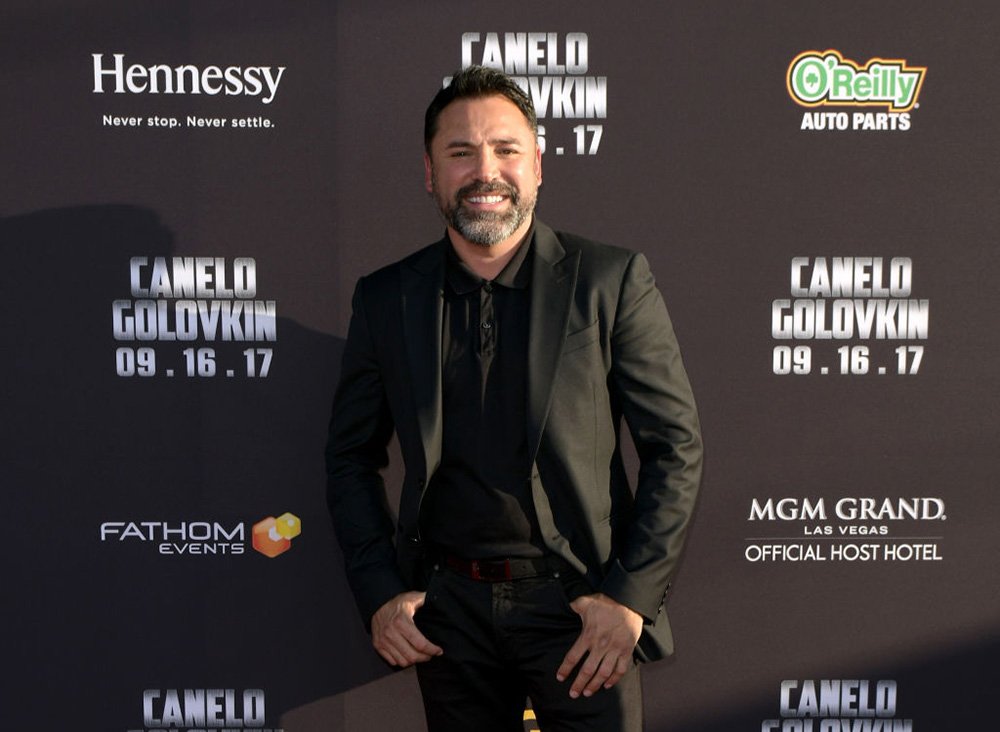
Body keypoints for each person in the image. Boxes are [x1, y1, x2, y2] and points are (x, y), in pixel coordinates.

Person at [326, 65, 702, 732]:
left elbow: (674, 448)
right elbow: (351, 456)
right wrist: (381, 592)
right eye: (460, 152)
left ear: (536, 166)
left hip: (582, 608)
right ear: (430, 172)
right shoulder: (388, 298)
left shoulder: (610, 281)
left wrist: (630, 599)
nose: (485, 171)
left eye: (505, 149)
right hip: (449, 616)